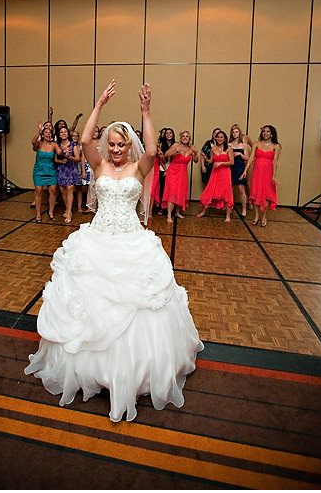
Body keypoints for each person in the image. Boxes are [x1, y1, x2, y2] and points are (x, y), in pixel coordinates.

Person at [24, 79, 203, 422]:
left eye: (122, 144)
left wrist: (146, 111)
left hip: (132, 242)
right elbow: (86, 138)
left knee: (136, 307)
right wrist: (98, 107)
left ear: (128, 146)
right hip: (98, 240)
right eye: (113, 144)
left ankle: (132, 371)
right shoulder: (100, 165)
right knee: (91, 306)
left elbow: (152, 150)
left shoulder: (139, 167)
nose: (117, 149)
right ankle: (91, 370)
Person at [243, 125, 281, 227]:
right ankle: (256, 215)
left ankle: (264, 216)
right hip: (257, 171)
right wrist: (245, 171)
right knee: (255, 193)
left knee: (267, 195)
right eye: (264, 131)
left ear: (272, 133)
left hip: (268, 172)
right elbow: (251, 159)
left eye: (268, 131)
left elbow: (275, 162)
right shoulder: (256, 144)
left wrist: (274, 175)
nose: (265, 133)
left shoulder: (276, 146)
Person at [196, 128, 235, 221]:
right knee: (210, 191)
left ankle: (228, 216)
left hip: (225, 173)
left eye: (222, 137)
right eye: (218, 137)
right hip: (215, 173)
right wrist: (205, 158)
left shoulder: (229, 149)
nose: (220, 139)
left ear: (225, 139)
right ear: (215, 138)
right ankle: (204, 211)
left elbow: (232, 162)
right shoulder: (213, 148)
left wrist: (221, 163)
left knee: (226, 193)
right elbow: (211, 161)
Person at [162, 130, 197, 223]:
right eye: (183, 136)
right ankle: (169, 215)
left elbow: (196, 160)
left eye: (187, 137)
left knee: (180, 192)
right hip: (173, 172)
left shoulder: (191, 148)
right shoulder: (176, 145)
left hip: (183, 173)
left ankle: (177, 212)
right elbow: (165, 154)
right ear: (181, 138)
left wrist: (196, 154)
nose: (185, 138)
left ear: (189, 139)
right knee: (172, 192)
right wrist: (174, 151)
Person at [31, 122, 62, 222]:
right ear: (43, 134)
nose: (48, 134)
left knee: (52, 191)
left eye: (50, 133)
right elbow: (33, 142)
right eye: (46, 132)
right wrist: (38, 132)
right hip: (39, 171)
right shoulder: (39, 144)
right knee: (39, 191)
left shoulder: (53, 144)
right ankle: (38, 213)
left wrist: (64, 150)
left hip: (51, 171)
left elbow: (59, 152)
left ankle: (51, 211)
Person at [54, 126, 81, 224]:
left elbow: (78, 159)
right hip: (62, 169)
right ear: (59, 134)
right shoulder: (57, 145)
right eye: (61, 132)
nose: (64, 133)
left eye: (65, 132)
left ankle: (69, 212)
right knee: (62, 189)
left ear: (68, 134)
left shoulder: (73, 145)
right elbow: (55, 159)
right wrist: (61, 161)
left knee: (70, 188)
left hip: (71, 169)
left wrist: (70, 157)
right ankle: (67, 207)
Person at [229, 124, 253, 217]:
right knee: (230, 189)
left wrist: (239, 154)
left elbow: (246, 157)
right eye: (233, 132)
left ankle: (244, 209)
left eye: (236, 132)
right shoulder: (229, 144)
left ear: (239, 133)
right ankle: (229, 207)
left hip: (240, 167)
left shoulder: (243, 144)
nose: (235, 133)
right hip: (231, 167)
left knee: (241, 189)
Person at [151, 127, 175, 216]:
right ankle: (161, 208)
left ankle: (170, 208)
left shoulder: (175, 145)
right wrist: (165, 169)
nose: (169, 135)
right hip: (162, 169)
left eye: (170, 133)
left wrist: (170, 170)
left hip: (173, 170)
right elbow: (161, 159)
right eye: (167, 133)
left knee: (171, 190)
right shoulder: (161, 144)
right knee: (162, 189)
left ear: (173, 135)